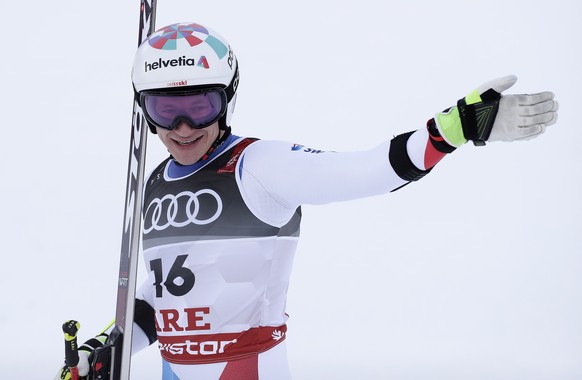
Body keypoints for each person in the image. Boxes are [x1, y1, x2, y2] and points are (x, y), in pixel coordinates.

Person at [55, 22, 558, 380]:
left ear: (228, 97)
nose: (183, 128)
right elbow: (163, 295)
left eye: (200, 107)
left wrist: (452, 130)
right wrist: (112, 344)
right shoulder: (158, 180)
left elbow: (366, 170)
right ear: (144, 111)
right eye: (166, 111)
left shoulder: (261, 167)